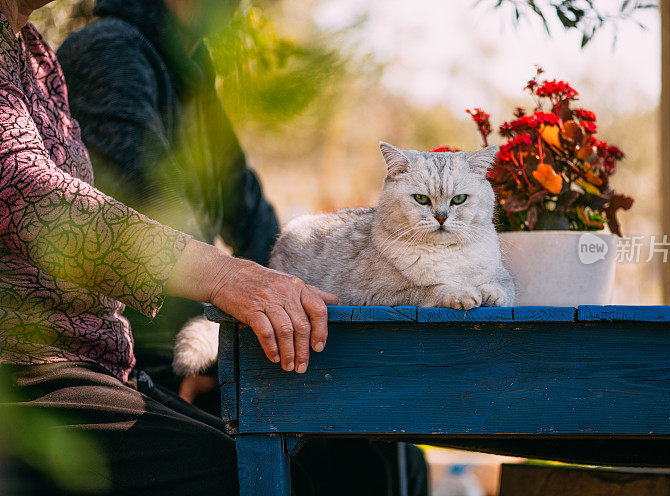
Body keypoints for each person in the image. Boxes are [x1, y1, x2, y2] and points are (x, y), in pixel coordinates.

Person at [56, 1, 430, 495]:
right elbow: (145, 221)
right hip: (141, 355)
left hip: (196, 346)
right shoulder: (109, 50)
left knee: (391, 455)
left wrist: (303, 300)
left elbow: (252, 215)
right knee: (342, 465)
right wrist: (212, 358)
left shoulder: (186, 65)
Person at [0, 0, 337, 494]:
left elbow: (244, 203)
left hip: (99, 358)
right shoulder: (107, 48)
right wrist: (221, 286)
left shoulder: (36, 54)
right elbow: (32, 195)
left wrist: (295, 290)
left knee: (296, 465)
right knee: (242, 476)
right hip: (26, 363)